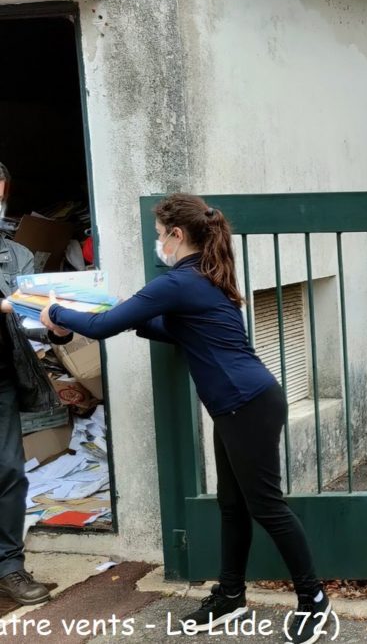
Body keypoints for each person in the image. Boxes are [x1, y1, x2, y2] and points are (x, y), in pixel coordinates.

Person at [34, 194, 333, 643]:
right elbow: (164, 329)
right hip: (241, 403)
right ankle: (230, 596)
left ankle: (314, 602)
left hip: (246, 404)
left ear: (177, 235)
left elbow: (101, 328)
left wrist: (54, 313)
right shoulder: (200, 278)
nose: (159, 244)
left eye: (159, 236)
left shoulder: (180, 281)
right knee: (232, 506)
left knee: (267, 506)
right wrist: (120, 312)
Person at [0, 161, 68, 606]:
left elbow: (33, 316)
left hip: (2, 381)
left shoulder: (16, 255)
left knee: (8, 471)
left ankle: (9, 567)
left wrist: (57, 326)